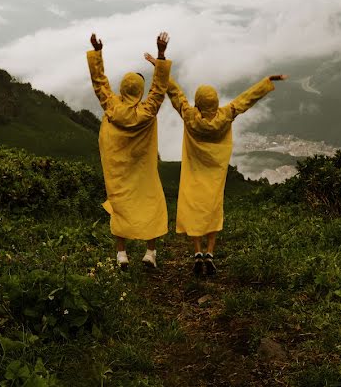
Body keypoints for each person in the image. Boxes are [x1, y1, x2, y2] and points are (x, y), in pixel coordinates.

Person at [145, 53, 286, 275]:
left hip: (193, 174)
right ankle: (210, 253)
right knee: (212, 211)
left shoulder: (190, 116)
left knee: (194, 212)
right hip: (215, 175)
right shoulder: (225, 116)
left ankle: (197, 252)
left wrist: (159, 66)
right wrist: (267, 81)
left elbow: (175, 93)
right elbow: (245, 100)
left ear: (198, 103)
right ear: (216, 102)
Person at [88, 32, 171, 269]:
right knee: (152, 204)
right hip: (143, 171)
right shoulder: (147, 111)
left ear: (123, 88)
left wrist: (97, 53)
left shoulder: (112, 106)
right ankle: (150, 253)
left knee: (119, 207)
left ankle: (122, 255)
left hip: (119, 172)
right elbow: (159, 89)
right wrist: (161, 54)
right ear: (140, 91)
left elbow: (99, 83)